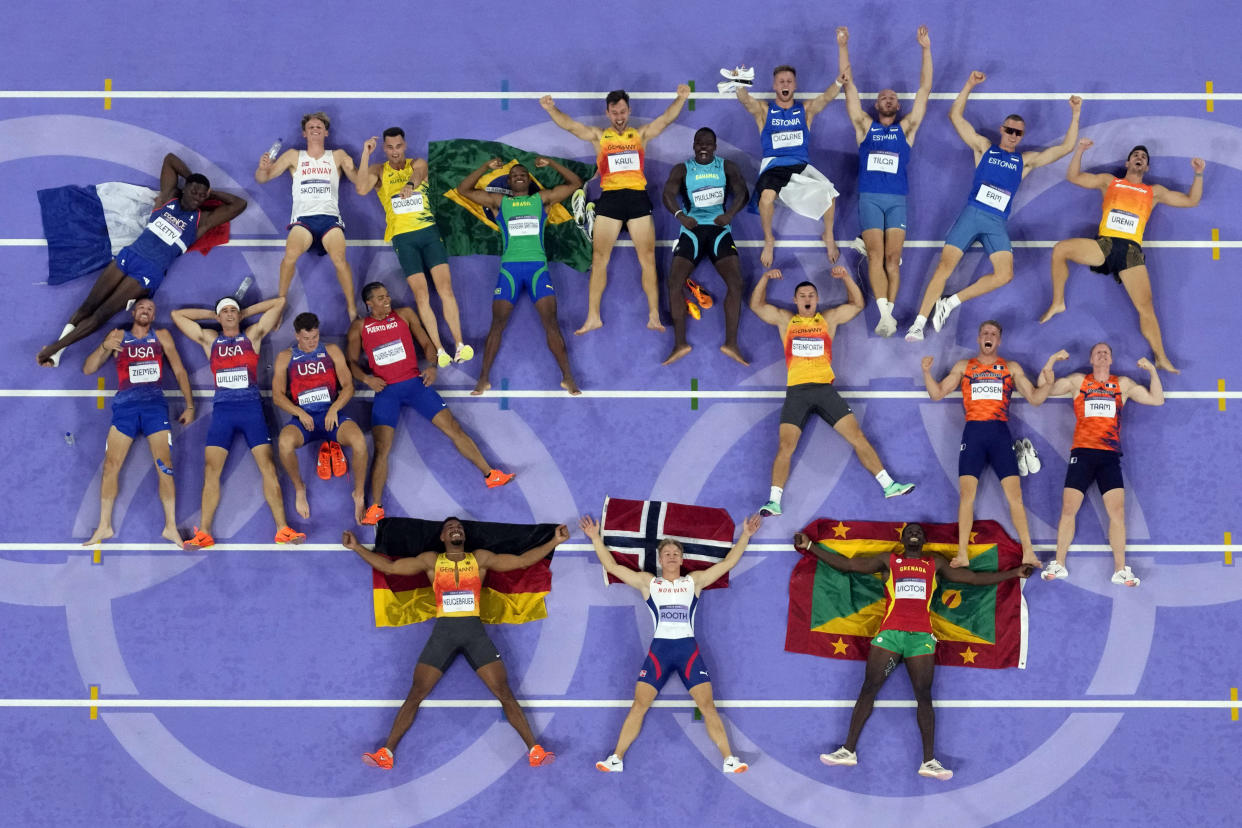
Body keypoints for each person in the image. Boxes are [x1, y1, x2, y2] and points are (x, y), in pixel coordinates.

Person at [802, 522, 1035, 780]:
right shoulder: (888, 560)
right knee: (869, 687)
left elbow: (973, 579)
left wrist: (1014, 573)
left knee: (923, 695)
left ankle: (929, 761)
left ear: (923, 541)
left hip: (920, 641)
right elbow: (848, 565)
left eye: (919, 532)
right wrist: (811, 546)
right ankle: (848, 751)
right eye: (910, 531)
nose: (915, 532)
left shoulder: (934, 563)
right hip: (890, 638)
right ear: (902, 539)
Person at [343, 518, 569, 769]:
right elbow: (392, 569)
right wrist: (357, 548)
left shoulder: (480, 559)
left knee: (504, 692)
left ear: (464, 536)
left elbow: (523, 561)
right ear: (442, 538)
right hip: (444, 634)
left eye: (459, 527)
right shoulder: (431, 561)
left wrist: (555, 541)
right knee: (416, 692)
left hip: (475, 634)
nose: (455, 529)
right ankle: (386, 752)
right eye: (450, 528)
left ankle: (534, 750)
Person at [580, 512, 761, 774]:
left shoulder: (694, 581)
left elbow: (728, 563)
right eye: (667, 553)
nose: (672, 556)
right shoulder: (648, 583)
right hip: (660, 652)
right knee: (639, 705)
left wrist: (745, 535)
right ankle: (616, 758)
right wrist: (595, 538)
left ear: (682, 558)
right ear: (661, 559)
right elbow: (612, 567)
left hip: (688, 651)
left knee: (707, 706)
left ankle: (730, 759)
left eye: (676, 553)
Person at [905, 75, 1082, 341]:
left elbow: (1066, 147)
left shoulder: (1026, 161)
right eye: (1009, 130)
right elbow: (956, 116)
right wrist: (968, 85)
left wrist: (1076, 113)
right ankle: (918, 323)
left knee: (1005, 275)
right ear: (1002, 129)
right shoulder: (983, 148)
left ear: (1022, 136)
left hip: (996, 223)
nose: (1013, 136)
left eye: (1018, 133)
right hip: (972, 215)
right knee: (944, 267)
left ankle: (949, 303)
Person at [37, 154, 247, 366]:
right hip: (130, 254)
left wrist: (211, 193)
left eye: (202, 196)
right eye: (194, 191)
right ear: (184, 188)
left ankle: (55, 348)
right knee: (87, 305)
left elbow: (240, 204)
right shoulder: (167, 199)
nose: (197, 198)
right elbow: (170, 160)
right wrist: (191, 178)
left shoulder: (202, 221)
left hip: (148, 272)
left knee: (102, 313)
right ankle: (56, 352)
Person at [749, 266, 914, 516]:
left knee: (857, 436)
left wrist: (847, 277)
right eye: (802, 295)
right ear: (795, 300)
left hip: (825, 391)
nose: (807, 298)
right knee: (785, 446)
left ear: (817, 300)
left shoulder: (827, 320)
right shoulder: (786, 320)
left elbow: (857, 304)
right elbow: (756, 306)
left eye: (811, 295)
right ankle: (773, 501)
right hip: (797, 392)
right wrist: (763, 277)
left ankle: (889, 485)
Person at [347, 282, 515, 526]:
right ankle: (375, 507)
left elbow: (427, 345)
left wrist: (433, 367)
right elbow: (351, 362)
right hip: (386, 392)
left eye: (388, 296)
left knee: (454, 429)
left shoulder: (405, 315)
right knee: (382, 449)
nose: (387, 301)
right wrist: (366, 378)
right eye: (381, 298)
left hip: (417, 386)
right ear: (369, 303)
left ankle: (491, 475)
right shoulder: (360, 327)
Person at [1039, 141, 1205, 374]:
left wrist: (1198, 174)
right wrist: (1079, 152)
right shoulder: (1110, 182)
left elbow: (1191, 200)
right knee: (1061, 250)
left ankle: (1161, 357)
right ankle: (1058, 302)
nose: (1139, 158)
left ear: (1146, 167)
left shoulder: (1153, 192)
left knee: (1146, 308)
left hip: (1131, 253)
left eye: (1144, 158)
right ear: (1128, 162)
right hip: (1104, 245)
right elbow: (1074, 176)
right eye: (1135, 155)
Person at [540, 86, 691, 334]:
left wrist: (681, 98)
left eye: (622, 111)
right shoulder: (600, 137)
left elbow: (665, 119)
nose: (619, 116)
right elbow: (570, 126)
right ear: (607, 113)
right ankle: (593, 317)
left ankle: (654, 315)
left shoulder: (639, 135)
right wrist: (551, 108)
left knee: (648, 259)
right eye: (614, 112)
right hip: (610, 200)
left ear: (628, 111)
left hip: (637, 199)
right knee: (599, 259)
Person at [921, 320, 1059, 568]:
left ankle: (1028, 551)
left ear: (999, 341)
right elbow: (937, 393)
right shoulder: (965, 367)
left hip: (999, 434)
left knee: (1015, 496)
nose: (988, 335)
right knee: (966, 495)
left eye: (993, 333)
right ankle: (962, 553)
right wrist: (926, 374)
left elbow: (1035, 398)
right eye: (984, 332)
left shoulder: (1010, 368)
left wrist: (1048, 384)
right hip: (973, 434)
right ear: (978, 339)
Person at [172, 296, 306, 548]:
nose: (231, 314)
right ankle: (205, 532)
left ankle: (283, 529)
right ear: (219, 317)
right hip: (223, 410)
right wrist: (214, 314)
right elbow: (178, 316)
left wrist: (244, 312)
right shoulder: (210, 339)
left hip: (251, 409)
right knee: (211, 471)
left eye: (234, 310)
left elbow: (280, 302)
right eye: (226, 312)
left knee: (268, 466)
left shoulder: (252, 336)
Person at [1035, 343, 1164, 586]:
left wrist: (1152, 372)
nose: (1102, 354)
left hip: (1109, 457)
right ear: (1091, 359)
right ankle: (1059, 563)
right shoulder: (1077, 382)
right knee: (1068, 509)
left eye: (1106, 352)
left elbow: (1157, 399)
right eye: (1098, 352)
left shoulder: (1122, 385)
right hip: (1082, 454)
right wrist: (1051, 361)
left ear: (1111, 360)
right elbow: (1045, 389)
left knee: (1117, 513)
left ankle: (1120, 570)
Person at [454, 156, 583, 395]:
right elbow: (463, 190)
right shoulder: (498, 202)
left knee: (551, 325)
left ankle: (568, 377)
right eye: (514, 175)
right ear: (510, 182)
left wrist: (553, 165)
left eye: (523, 174)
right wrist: (484, 167)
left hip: (538, 270)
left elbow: (575, 183)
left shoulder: (542, 200)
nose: (519, 176)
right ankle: (483, 379)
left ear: (529, 179)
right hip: (509, 271)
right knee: (496, 325)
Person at [835, 25, 933, 337]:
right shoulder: (864, 127)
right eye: (882, 97)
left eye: (891, 96)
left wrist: (926, 49)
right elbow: (848, 87)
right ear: (876, 106)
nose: (887, 98)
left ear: (897, 106)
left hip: (897, 200)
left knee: (893, 260)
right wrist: (843, 46)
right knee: (877, 256)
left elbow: (925, 89)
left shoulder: (907, 129)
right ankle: (884, 315)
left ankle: (887, 316)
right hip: (871, 199)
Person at [80, 298, 195, 547]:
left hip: (155, 408)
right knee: (111, 465)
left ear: (153, 317)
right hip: (125, 409)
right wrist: (103, 346)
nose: (146, 310)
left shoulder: (161, 336)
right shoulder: (118, 336)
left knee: (165, 466)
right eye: (142, 307)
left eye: (151, 309)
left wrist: (190, 405)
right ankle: (104, 526)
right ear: (134, 312)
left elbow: (179, 371)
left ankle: (171, 527)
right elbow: (88, 369)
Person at [355, 127, 472, 367]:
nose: (395, 151)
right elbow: (361, 188)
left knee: (445, 290)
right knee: (421, 295)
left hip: (428, 233)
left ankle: (460, 345)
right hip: (403, 238)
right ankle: (439, 350)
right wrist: (365, 154)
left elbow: (419, 175)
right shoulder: (379, 170)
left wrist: (409, 184)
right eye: (389, 147)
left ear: (404, 146)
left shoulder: (417, 163)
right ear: (384, 148)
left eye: (398, 146)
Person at [730, 63, 846, 268]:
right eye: (781, 81)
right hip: (773, 166)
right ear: (775, 86)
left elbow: (826, 98)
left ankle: (828, 234)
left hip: (799, 166)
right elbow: (746, 100)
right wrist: (739, 84)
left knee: (831, 194)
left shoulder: (806, 110)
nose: (785, 84)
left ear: (795, 85)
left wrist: (838, 82)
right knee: (766, 199)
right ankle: (769, 240)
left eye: (789, 81)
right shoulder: (765, 111)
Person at [254, 111, 364, 320]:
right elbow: (262, 179)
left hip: (330, 218)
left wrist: (359, 163)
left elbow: (360, 182)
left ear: (326, 133)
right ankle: (280, 303)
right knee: (290, 256)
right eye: (311, 127)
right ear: (304, 134)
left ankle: (351, 308)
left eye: (319, 127)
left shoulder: (338, 155)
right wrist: (262, 168)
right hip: (303, 220)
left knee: (339, 259)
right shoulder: (294, 156)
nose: (315, 129)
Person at [660, 127, 751, 366]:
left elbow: (743, 192)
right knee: (673, 283)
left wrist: (730, 214)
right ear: (693, 145)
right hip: (691, 231)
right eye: (699, 142)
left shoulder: (726, 166)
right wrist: (680, 216)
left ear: (715, 146)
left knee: (737, 283)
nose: (703, 147)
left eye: (708, 143)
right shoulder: (683, 169)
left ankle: (731, 343)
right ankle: (680, 343)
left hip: (719, 230)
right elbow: (667, 194)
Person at [271, 312, 369, 524]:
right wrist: (299, 413)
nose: (311, 343)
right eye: (306, 339)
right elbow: (277, 396)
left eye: (315, 337)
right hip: (303, 419)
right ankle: (299, 488)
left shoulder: (331, 351)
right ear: (297, 336)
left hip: (331, 415)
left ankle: (358, 494)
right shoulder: (285, 357)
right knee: (284, 443)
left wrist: (334, 408)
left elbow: (348, 386)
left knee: (360, 442)